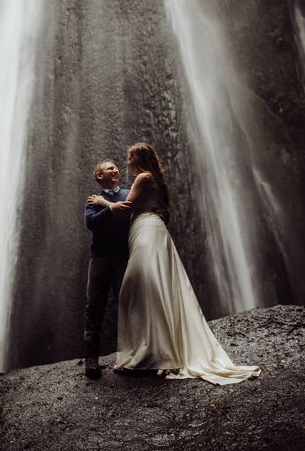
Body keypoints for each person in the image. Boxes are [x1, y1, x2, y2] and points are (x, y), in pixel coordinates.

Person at [102, 141, 261, 383]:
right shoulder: (154, 179)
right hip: (152, 231)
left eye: (130, 158)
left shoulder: (143, 177)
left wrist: (103, 203)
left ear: (138, 160)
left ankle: (151, 353)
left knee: (138, 288)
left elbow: (126, 207)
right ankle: (156, 351)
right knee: (155, 288)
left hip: (147, 233)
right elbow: (164, 211)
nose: (127, 163)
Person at [83, 158, 131, 379]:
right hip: (100, 258)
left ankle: (133, 355)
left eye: (116, 167)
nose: (115, 169)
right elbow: (91, 223)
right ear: (99, 176)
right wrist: (111, 209)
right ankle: (91, 359)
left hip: (125, 257)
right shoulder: (93, 200)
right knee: (94, 306)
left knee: (129, 305)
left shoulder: (129, 194)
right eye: (109, 167)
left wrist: (108, 205)